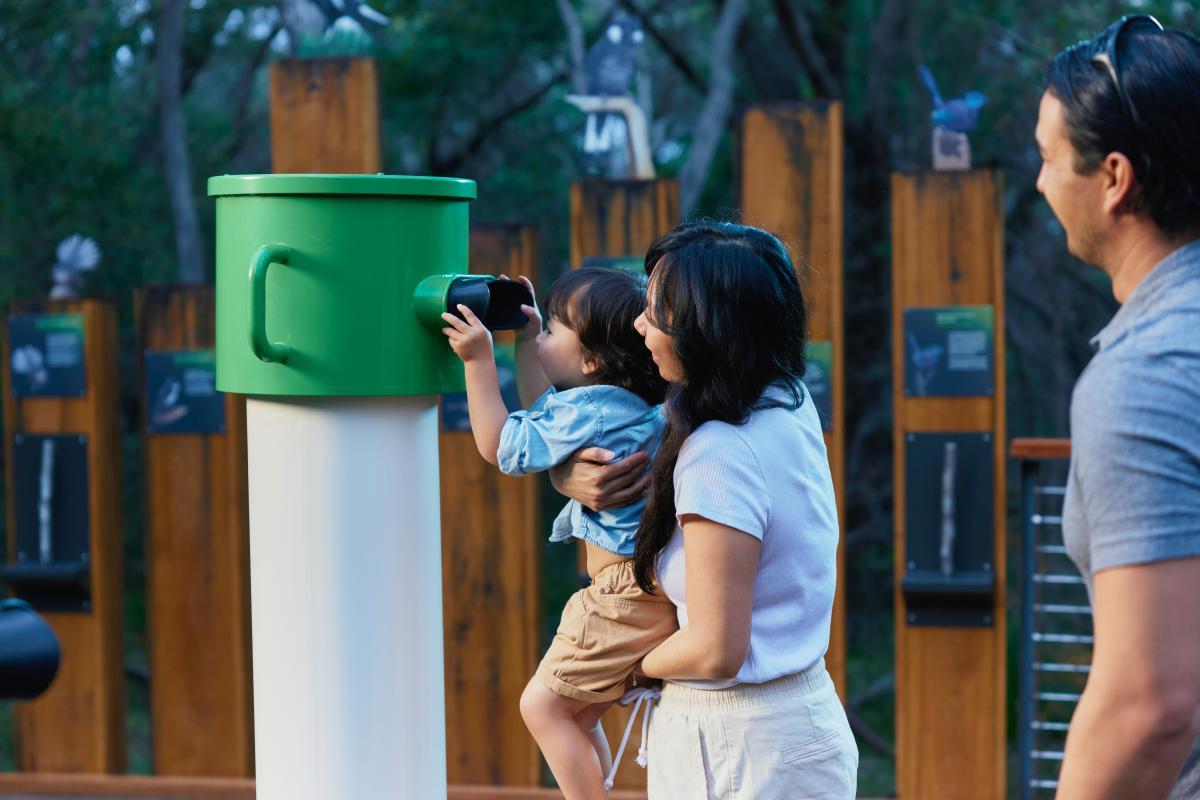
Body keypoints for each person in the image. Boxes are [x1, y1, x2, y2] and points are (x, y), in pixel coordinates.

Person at [555, 221, 858, 799]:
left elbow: (716, 650)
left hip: (739, 747)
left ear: (705, 331)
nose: (639, 325)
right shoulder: (783, 400)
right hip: (790, 725)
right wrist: (569, 476)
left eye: (655, 313)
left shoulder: (720, 449)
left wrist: (628, 667)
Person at [1035, 15, 1200, 799]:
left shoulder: (1147, 373)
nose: (1040, 184)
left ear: (1114, 178)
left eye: (1048, 158)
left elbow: (1150, 707)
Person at [439, 267, 676, 800]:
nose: (542, 334)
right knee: (575, 714)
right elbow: (542, 413)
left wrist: (478, 362)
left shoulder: (591, 411)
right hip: (643, 587)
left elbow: (502, 444)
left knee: (542, 708)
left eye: (551, 329)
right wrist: (528, 342)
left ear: (590, 361)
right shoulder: (616, 404)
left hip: (621, 594)